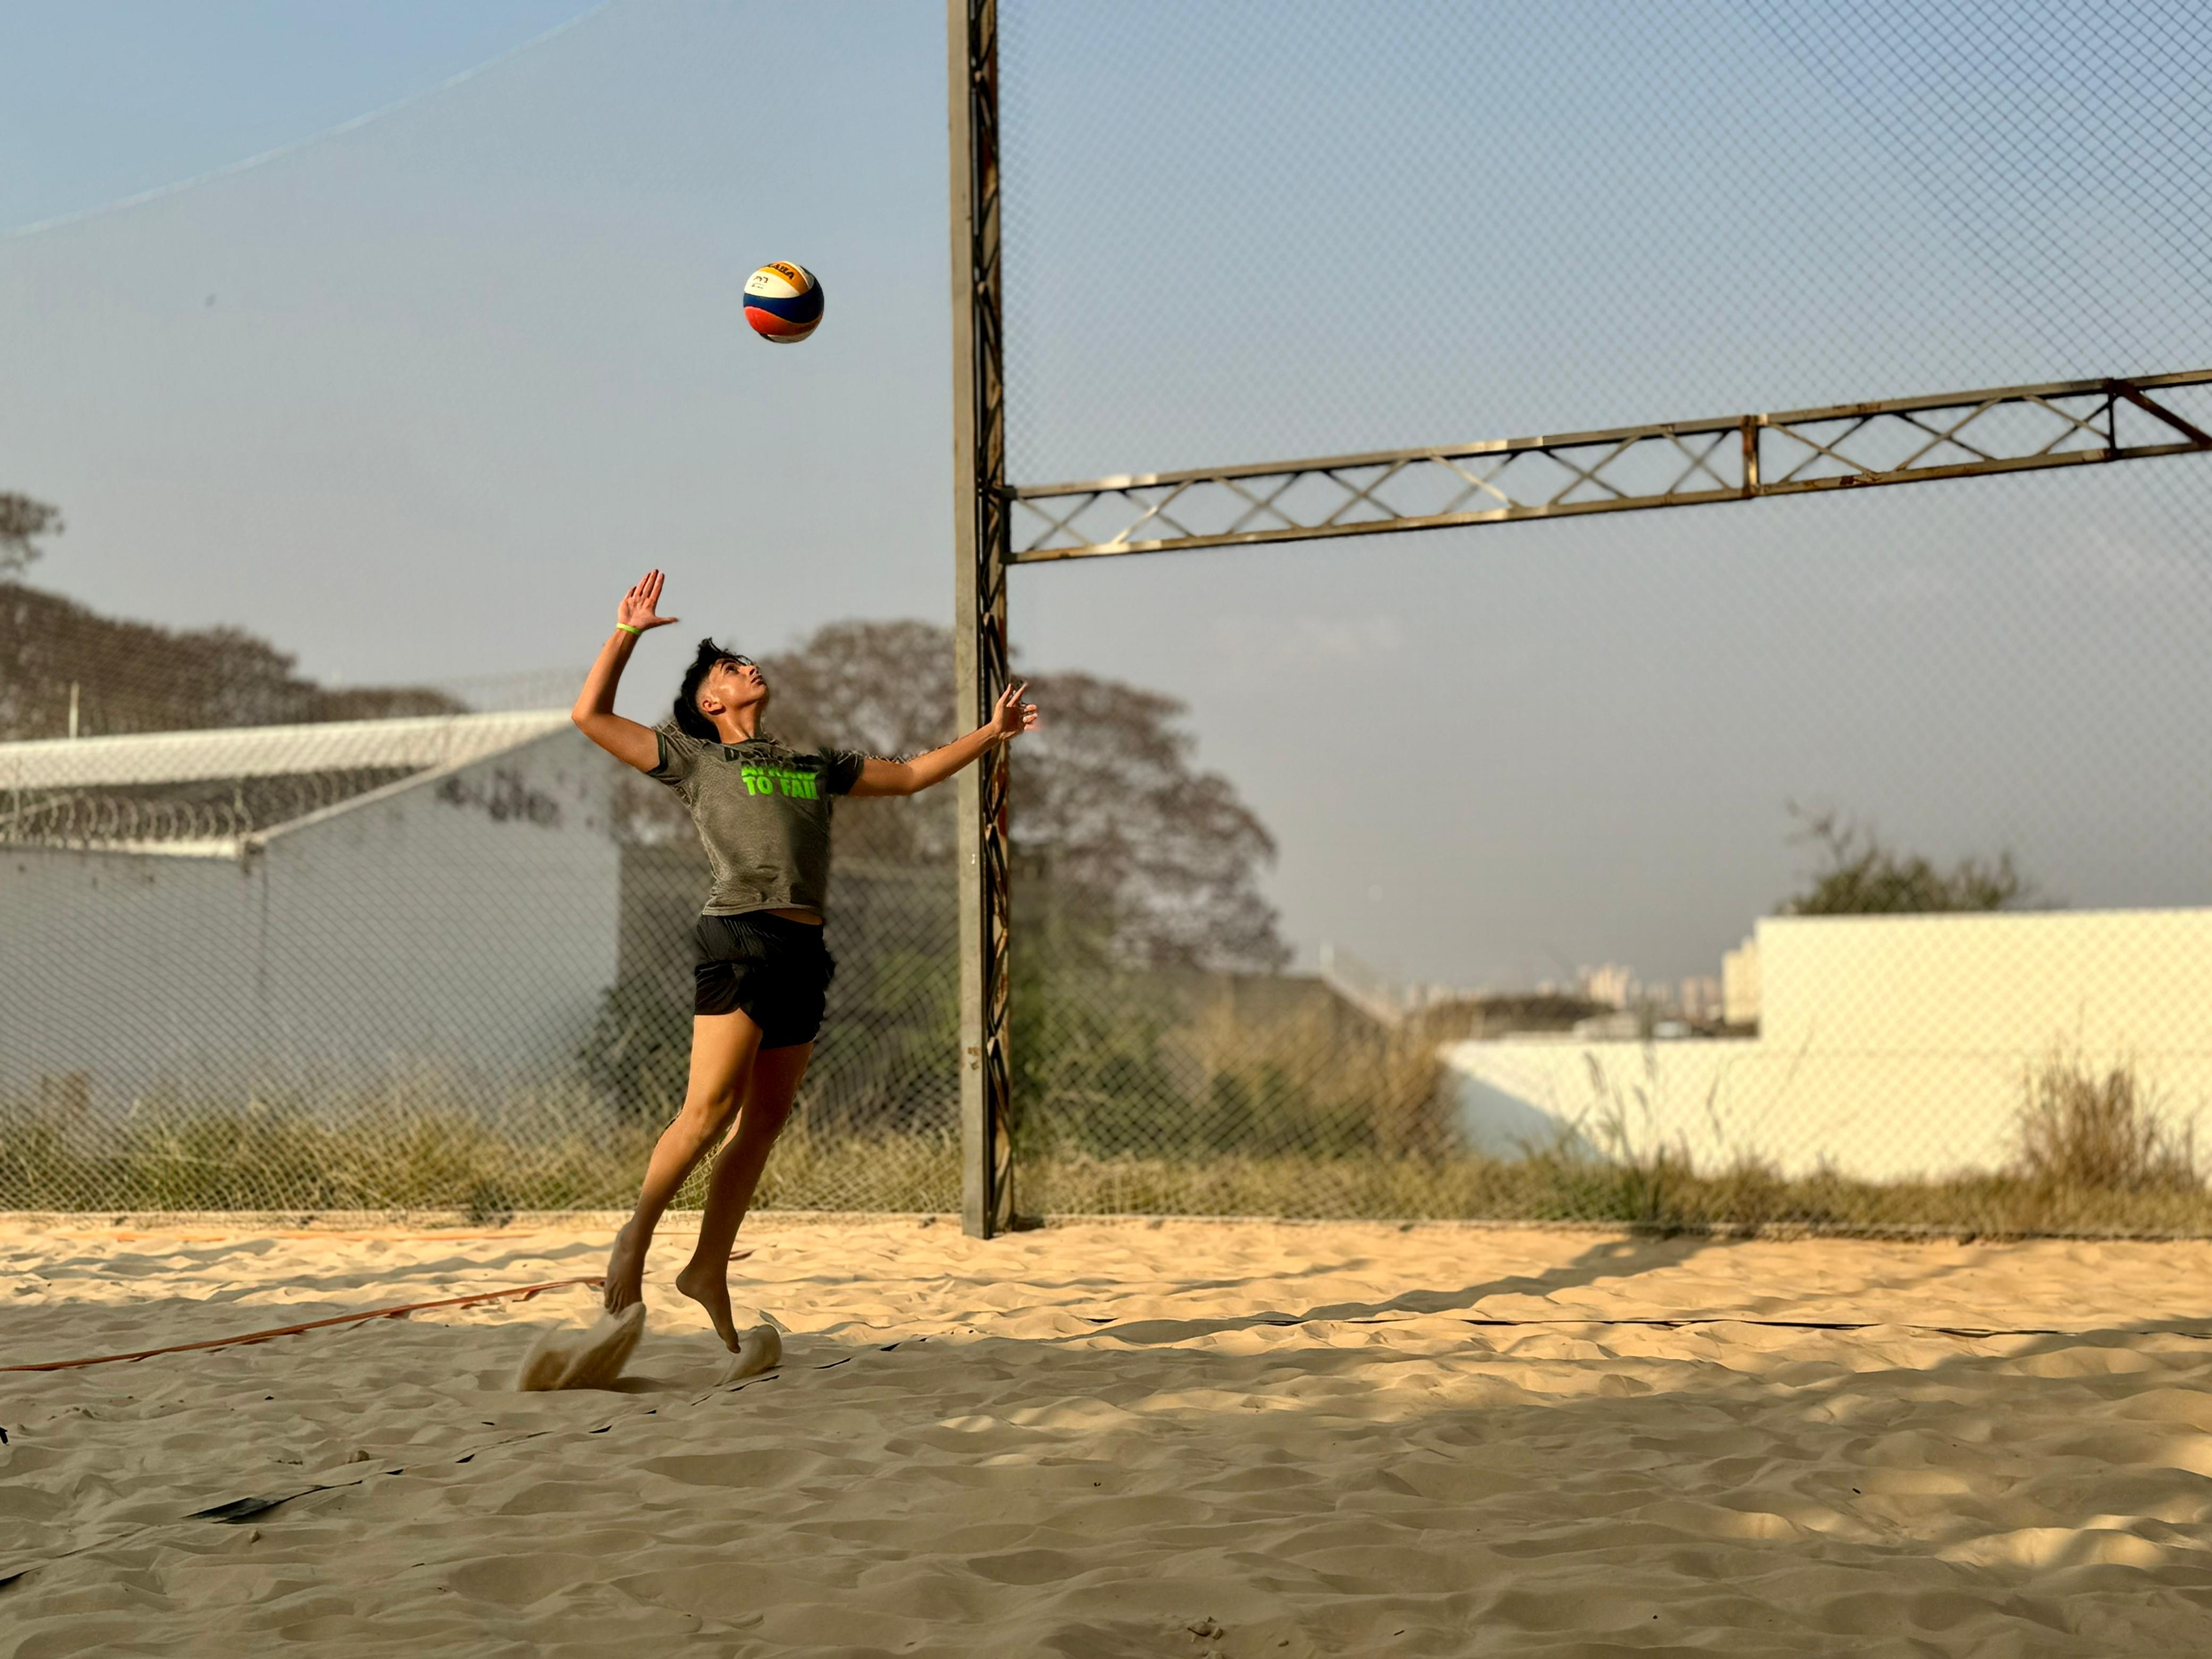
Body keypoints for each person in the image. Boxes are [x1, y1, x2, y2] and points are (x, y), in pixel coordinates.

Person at [570, 568, 1038, 1348]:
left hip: (803, 950)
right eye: (730, 669)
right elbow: (589, 715)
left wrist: (992, 734)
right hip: (740, 935)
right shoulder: (695, 760)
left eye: (741, 661)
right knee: (709, 1112)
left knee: (763, 1123)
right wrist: (626, 634)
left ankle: (707, 1267)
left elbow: (911, 776)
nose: (746, 667)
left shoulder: (813, 764)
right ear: (712, 703)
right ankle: (636, 1239)